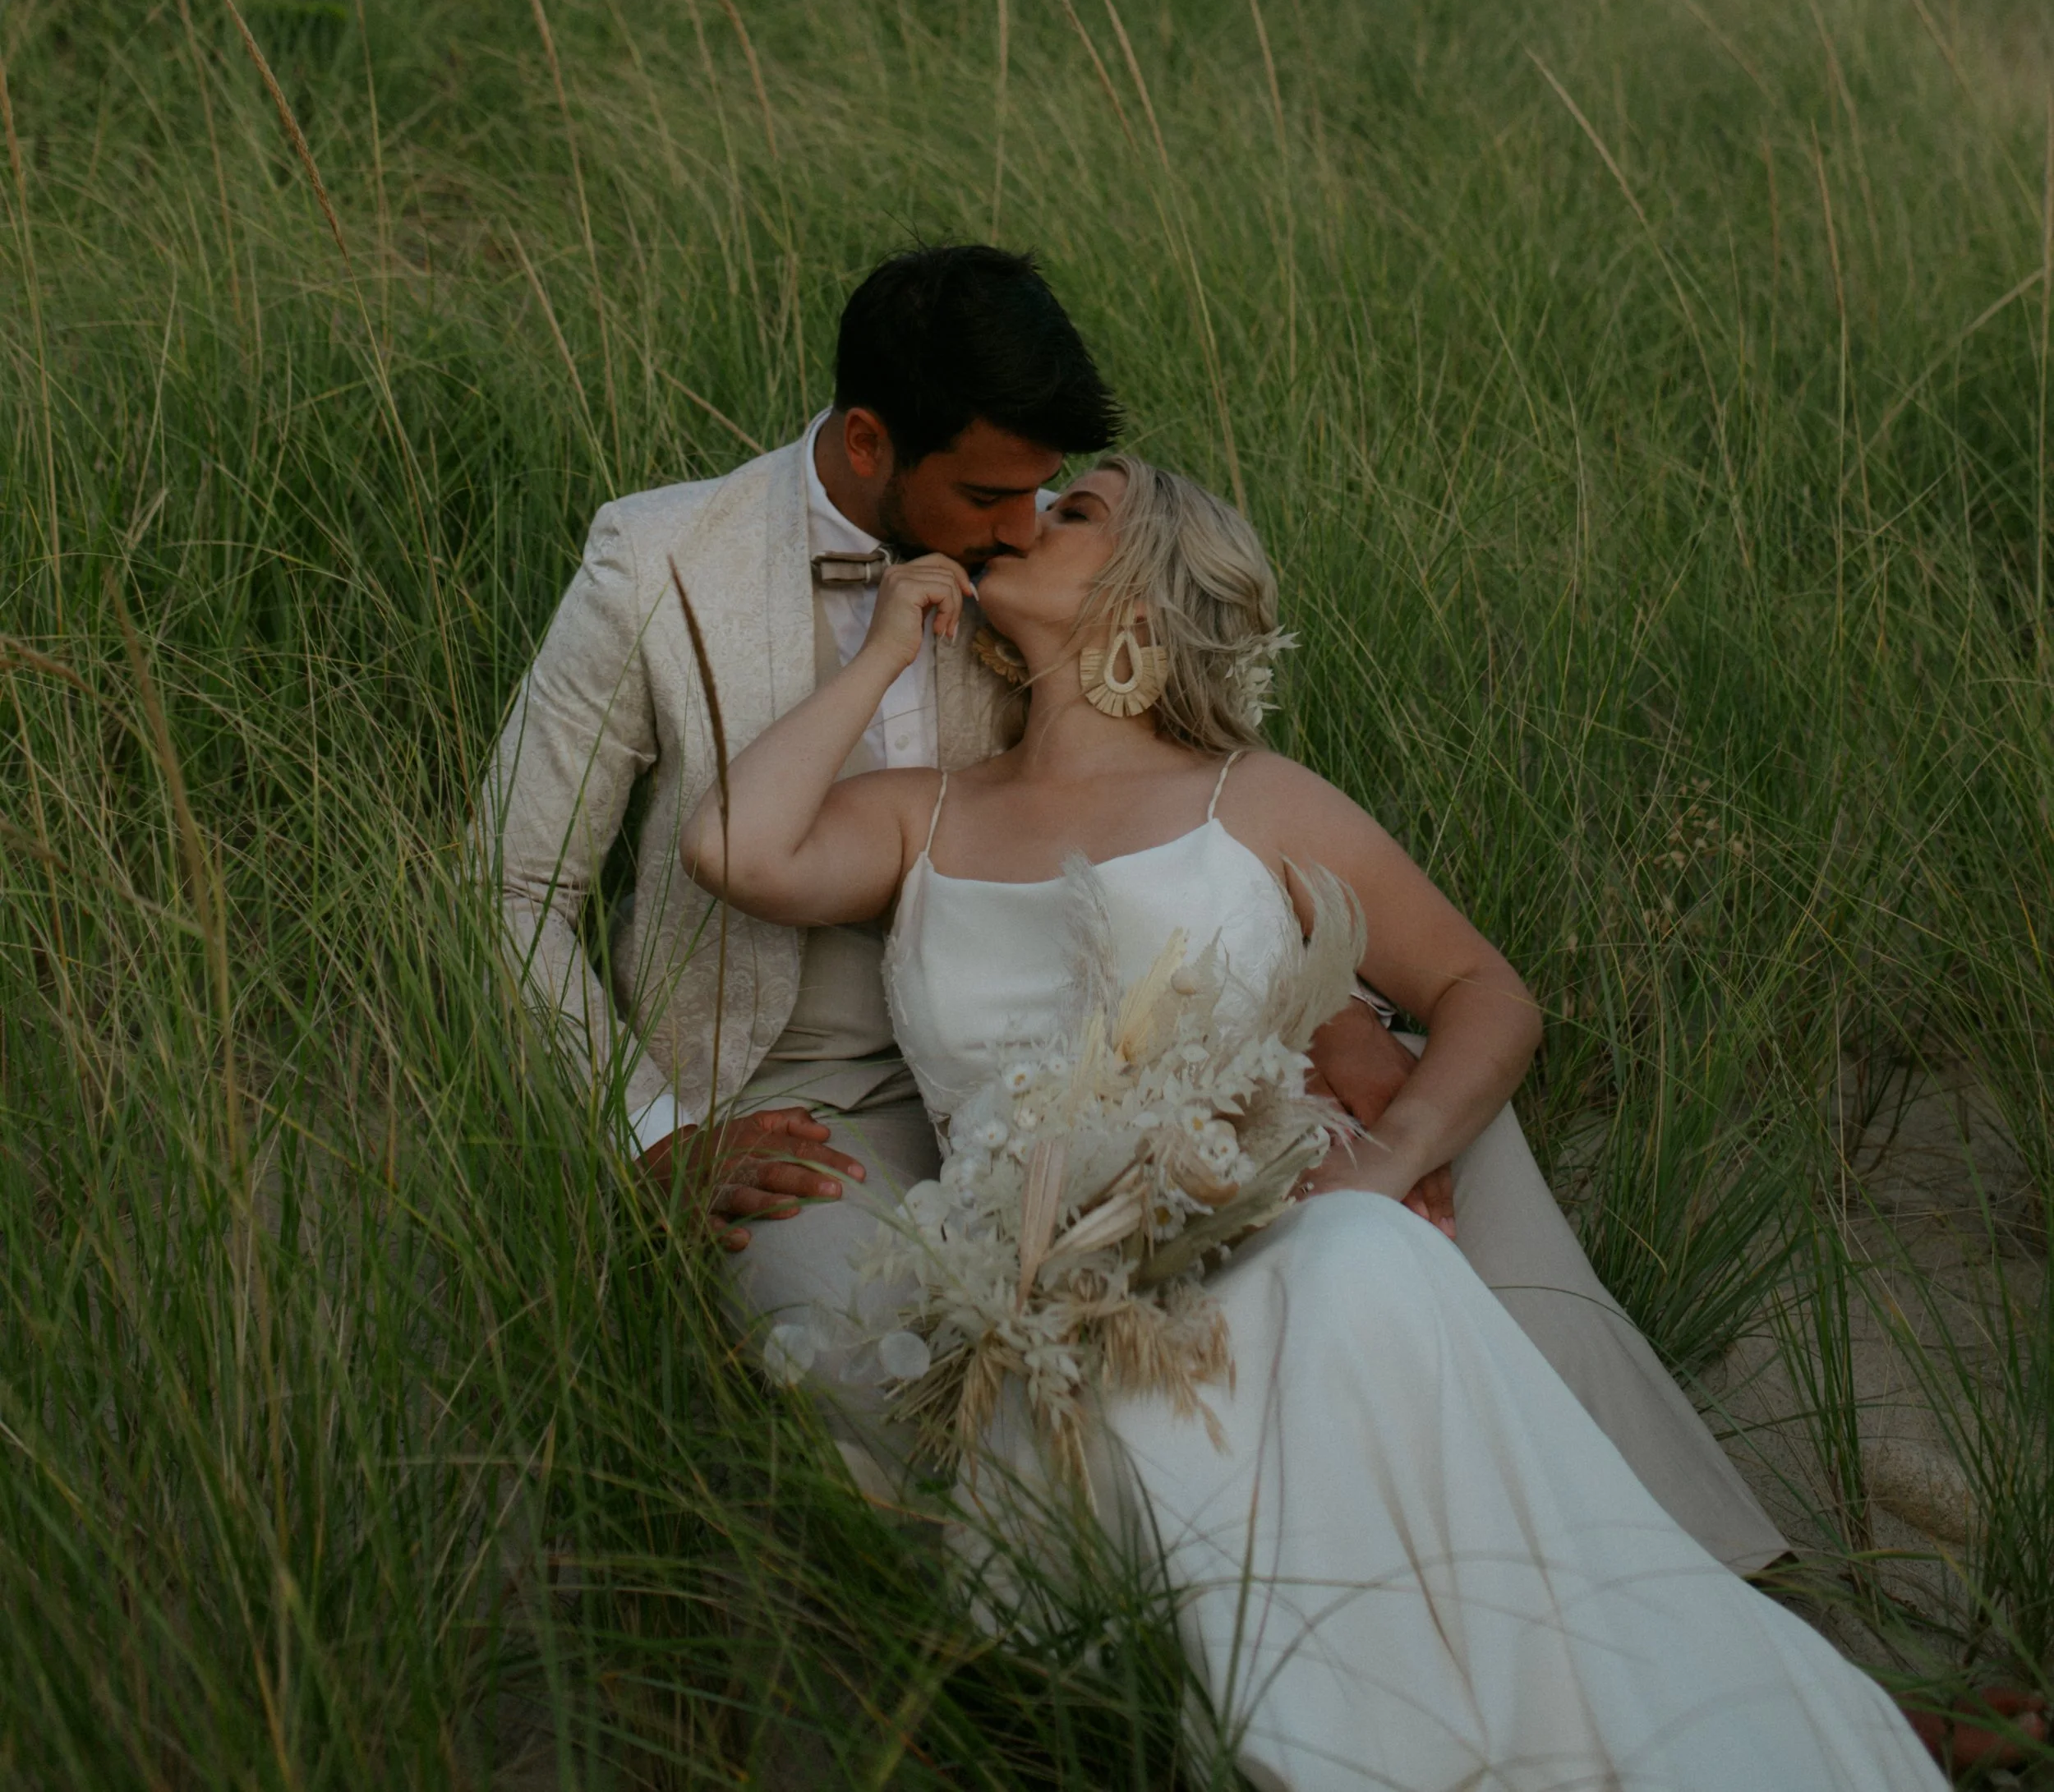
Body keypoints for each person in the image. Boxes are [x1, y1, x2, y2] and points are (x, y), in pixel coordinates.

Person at [477, 245, 1776, 1569]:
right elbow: (516, 887)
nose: (1022, 524)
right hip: (796, 1095)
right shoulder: (657, 565)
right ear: (869, 443)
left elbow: (1181, 824)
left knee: (1445, 1140)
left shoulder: (1036, 574)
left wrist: (1332, 1025)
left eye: (1053, 495)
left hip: (1087, 1058)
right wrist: (654, 1132)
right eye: (994, 497)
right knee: (891, 1376)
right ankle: (1135, 1617)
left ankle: (1658, 1543)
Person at [681, 454, 1946, 1792]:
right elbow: (733, 847)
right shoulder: (927, 811)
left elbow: (1485, 991)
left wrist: (1393, 1157)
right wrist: (887, 648)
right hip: (1044, 1292)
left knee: (1361, 1258)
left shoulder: (1252, 796)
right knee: (1303, 1312)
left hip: (1257, 1238)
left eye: (1077, 508)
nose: (1026, 515)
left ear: (1145, 592)